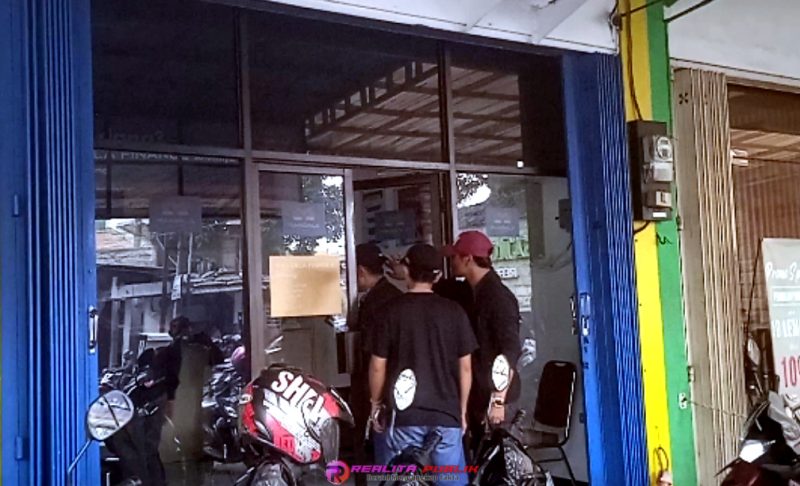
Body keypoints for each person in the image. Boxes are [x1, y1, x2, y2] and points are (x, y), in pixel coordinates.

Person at [370, 244, 477, 485]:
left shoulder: (389, 312)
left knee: (402, 480)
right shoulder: (454, 312)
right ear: (437, 276)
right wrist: (461, 411)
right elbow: (465, 368)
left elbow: (377, 366)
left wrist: (375, 404)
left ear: (406, 270)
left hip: (404, 416)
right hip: (446, 415)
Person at [443, 231, 522, 456]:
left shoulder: (498, 298)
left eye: (455, 256)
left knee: (501, 463)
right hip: (480, 393)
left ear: (467, 258)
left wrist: (498, 400)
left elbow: (510, 349)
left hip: (495, 397)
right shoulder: (471, 291)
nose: (451, 262)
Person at [351, 243, 402, 475]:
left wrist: (374, 399)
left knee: (381, 453)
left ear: (360, 270)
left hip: (380, 388)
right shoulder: (395, 295)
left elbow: (374, 355)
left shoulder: (375, 303)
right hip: (397, 387)